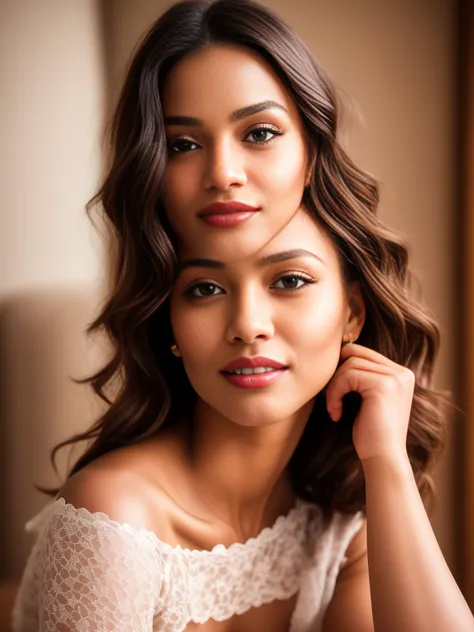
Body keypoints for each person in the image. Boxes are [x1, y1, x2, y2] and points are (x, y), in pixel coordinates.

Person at [12, 1, 474, 630]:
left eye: (289, 280)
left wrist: (387, 463)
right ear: (167, 321)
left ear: (353, 314)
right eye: (203, 290)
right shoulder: (114, 518)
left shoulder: (339, 525)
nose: (248, 325)